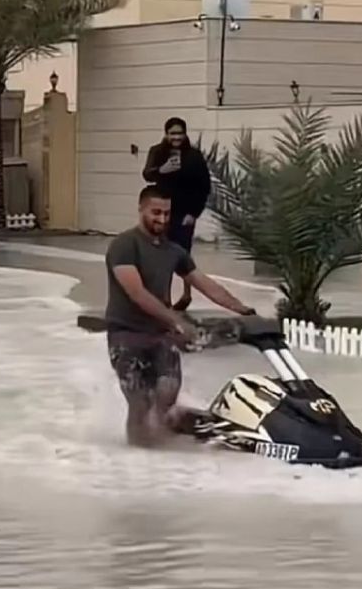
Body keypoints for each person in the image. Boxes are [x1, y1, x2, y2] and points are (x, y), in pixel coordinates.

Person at [104, 184, 255, 448]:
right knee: (139, 401)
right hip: (126, 335)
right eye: (155, 212)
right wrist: (176, 320)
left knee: (167, 391)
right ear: (141, 209)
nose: (162, 219)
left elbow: (204, 283)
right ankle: (137, 456)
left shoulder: (173, 251)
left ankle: (164, 444)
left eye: (166, 213)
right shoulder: (124, 246)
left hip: (160, 335)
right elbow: (137, 293)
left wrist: (242, 309)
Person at [142, 116, 211, 311]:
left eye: (180, 133)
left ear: (185, 134)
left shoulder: (194, 156)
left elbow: (204, 186)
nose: (176, 137)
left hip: (185, 213)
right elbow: (147, 174)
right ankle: (165, 297)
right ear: (166, 134)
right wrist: (162, 169)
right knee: (163, 254)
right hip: (162, 212)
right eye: (172, 133)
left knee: (183, 254)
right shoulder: (157, 152)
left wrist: (194, 213)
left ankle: (187, 294)